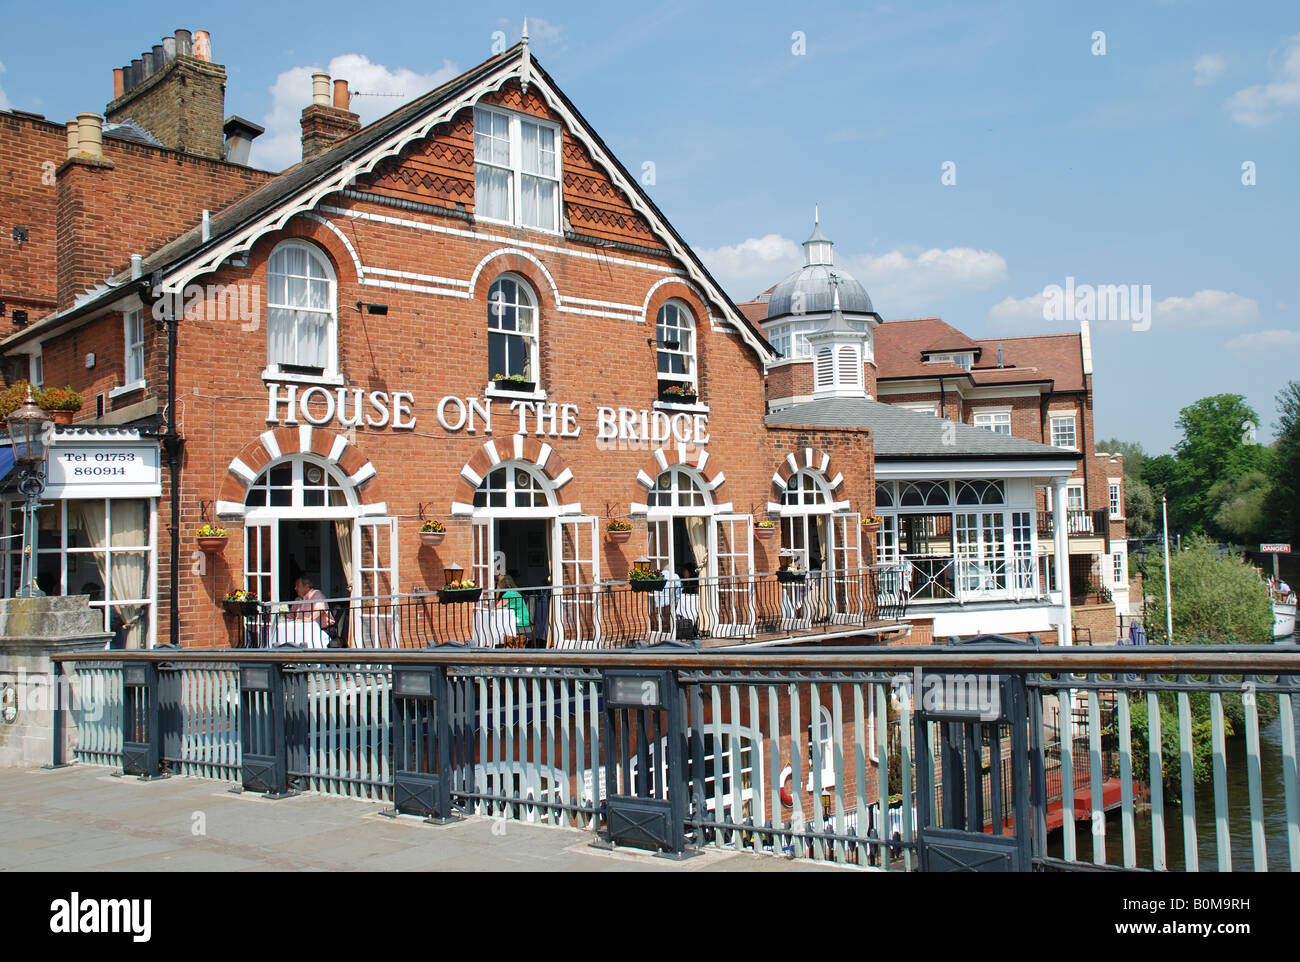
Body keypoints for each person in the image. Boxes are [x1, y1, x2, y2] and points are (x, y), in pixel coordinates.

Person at [290, 576, 333, 648]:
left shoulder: (316, 594)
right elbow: (290, 616)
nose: (295, 588)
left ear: (306, 587)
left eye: (298, 586)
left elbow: (317, 614)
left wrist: (302, 621)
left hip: (318, 630)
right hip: (300, 630)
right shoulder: (298, 599)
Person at [495, 572, 532, 648]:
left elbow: (497, 606)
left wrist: (497, 593)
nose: (498, 585)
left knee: (498, 624)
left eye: (498, 583)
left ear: (503, 584)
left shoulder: (508, 594)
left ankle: (499, 643)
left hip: (519, 621)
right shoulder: (515, 593)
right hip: (524, 619)